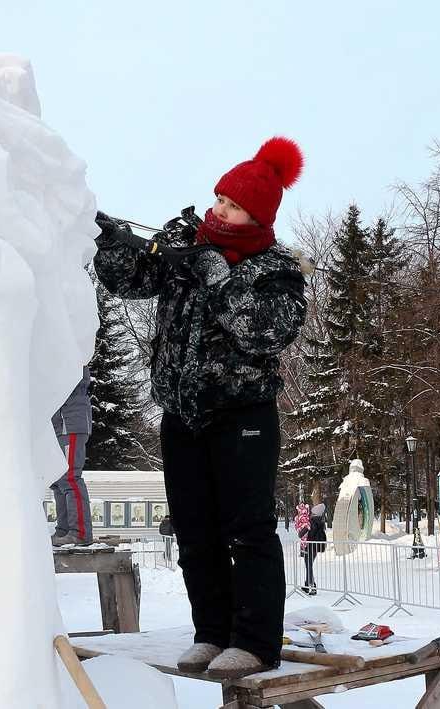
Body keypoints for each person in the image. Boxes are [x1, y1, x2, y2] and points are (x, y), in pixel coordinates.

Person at [93, 136, 307, 678]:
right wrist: (112, 242)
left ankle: (256, 642)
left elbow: (264, 332)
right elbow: (131, 280)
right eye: (218, 198)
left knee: (247, 529)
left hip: (243, 415)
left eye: (232, 205)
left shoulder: (277, 269)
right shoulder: (185, 241)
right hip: (180, 413)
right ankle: (211, 633)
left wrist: (219, 279)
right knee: (193, 531)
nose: (218, 210)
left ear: (257, 215)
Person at [50, 366, 93, 546]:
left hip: (71, 423)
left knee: (70, 477)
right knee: (58, 480)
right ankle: (64, 529)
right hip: (60, 424)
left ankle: (80, 532)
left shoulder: (70, 355)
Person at [297, 491, 327, 594]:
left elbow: (301, 534)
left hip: (309, 546)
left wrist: (303, 529)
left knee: (308, 566)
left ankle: (312, 587)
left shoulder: (311, 522)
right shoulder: (321, 522)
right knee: (309, 565)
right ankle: (307, 585)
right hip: (315, 547)